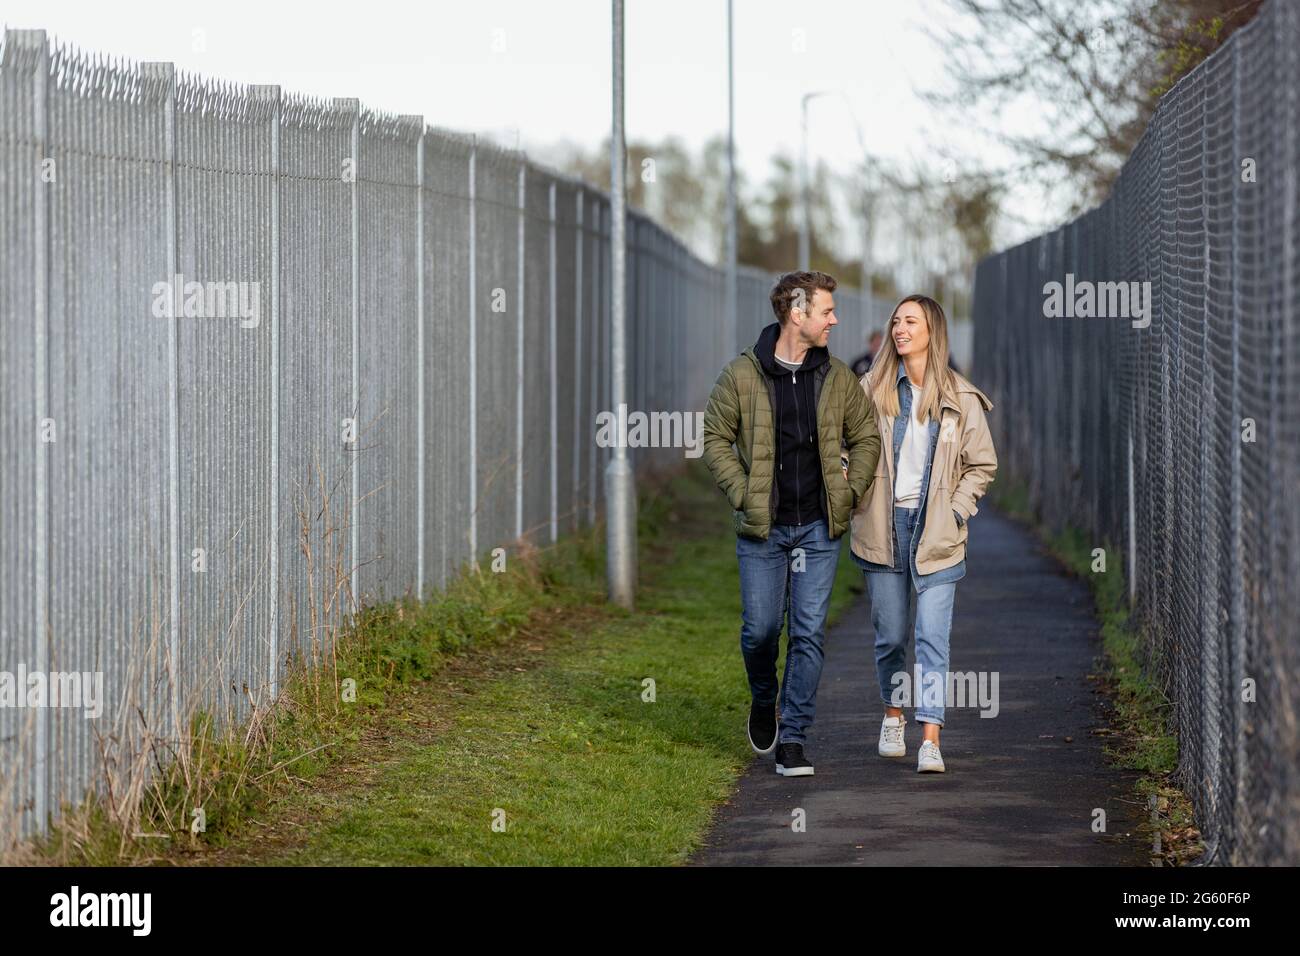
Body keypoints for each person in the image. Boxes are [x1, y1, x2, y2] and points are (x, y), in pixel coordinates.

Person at [702, 271, 881, 777]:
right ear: (796, 314)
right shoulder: (742, 374)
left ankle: (794, 739)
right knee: (761, 631)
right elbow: (715, 437)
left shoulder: (838, 377)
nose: (834, 319)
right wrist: (741, 492)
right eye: (827, 310)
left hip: (819, 531)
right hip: (764, 531)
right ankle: (765, 700)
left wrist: (848, 491)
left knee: (808, 635)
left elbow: (866, 437)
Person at [848, 294, 997, 773]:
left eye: (910, 321)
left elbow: (982, 464)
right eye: (896, 321)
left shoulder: (960, 397)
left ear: (932, 330)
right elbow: (844, 448)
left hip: (936, 533)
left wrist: (956, 511)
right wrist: (854, 492)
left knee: (932, 636)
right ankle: (893, 713)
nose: (899, 329)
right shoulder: (869, 390)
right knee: (891, 636)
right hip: (883, 527)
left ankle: (930, 736)